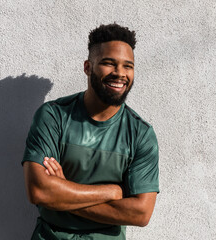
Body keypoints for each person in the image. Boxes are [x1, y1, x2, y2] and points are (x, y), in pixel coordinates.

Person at [22, 23, 159, 240]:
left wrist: (62, 194)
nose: (120, 73)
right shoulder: (53, 117)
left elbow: (140, 213)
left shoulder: (141, 134)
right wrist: (111, 191)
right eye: (108, 63)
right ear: (88, 67)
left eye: (128, 66)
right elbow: (39, 191)